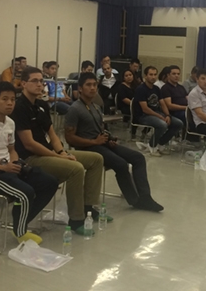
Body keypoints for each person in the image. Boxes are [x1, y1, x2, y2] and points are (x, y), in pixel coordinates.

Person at [11, 67, 106, 235]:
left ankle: (88, 208)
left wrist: (62, 152)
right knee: (76, 168)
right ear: (24, 83)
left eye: (41, 81)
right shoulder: (19, 107)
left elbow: (52, 134)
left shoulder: (41, 105)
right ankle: (76, 219)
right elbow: (29, 144)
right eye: (35, 81)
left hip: (49, 153)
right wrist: (57, 156)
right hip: (31, 157)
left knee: (96, 159)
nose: (39, 84)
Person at [0, 82, 58, 244]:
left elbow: (11, 150)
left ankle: (20, 219)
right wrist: (1, 167)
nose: (10, 103)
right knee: (25, 193)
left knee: (49, 182)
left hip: (7, 168)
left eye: (13, 99)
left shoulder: (10, 123)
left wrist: (15, 162)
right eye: (5, 99)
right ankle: (20, 231)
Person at [65, 72, 163, 212]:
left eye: (94, 85)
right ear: (80, 88)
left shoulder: (96, 107)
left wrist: (108, 138)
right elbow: (69, 138)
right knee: (121, 164)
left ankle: (145, 197)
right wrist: (94, 141)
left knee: (138, 158)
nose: (92, 88)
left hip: (101, 143)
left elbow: (99, 129)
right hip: (88, 148)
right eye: (88, 85)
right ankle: (135, 200)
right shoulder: (74, 109)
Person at [133, 66, 183, 156]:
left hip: (157, 113)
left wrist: (167, 115)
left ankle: (160, 144)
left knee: (178, 123)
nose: (153, 77)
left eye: (155, 74)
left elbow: (162, 103)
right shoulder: (140, 89)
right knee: (162, 125)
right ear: (145, 76)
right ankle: (152, 146)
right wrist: (159, 116)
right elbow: (145, 109)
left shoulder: (156, 88)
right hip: (143, 115)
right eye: (151, 74)